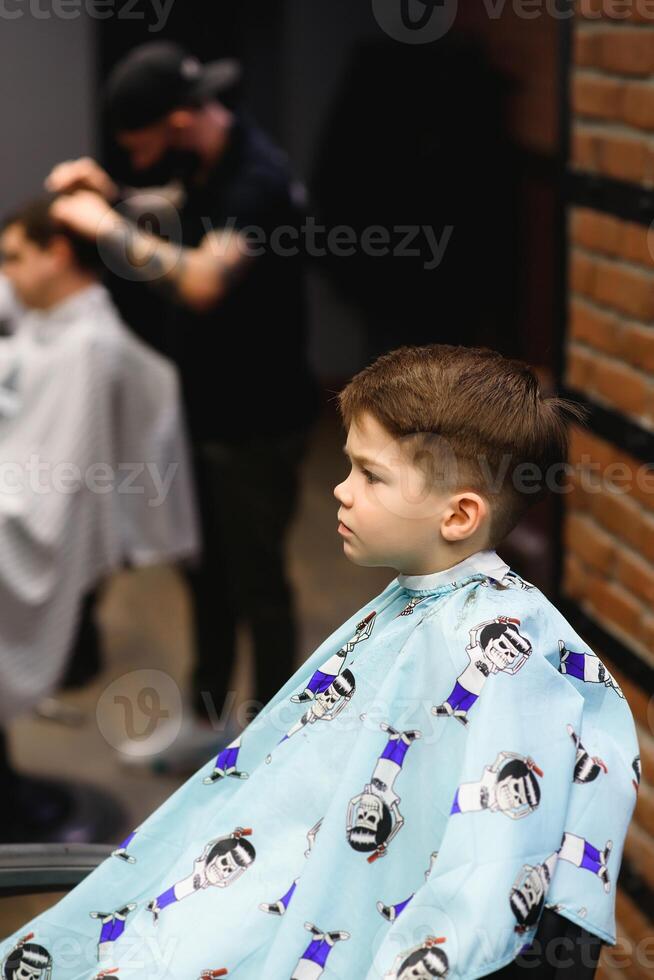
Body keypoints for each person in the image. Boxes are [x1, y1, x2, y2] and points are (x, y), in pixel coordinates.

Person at [0, 345, 638, 977]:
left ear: (459, 515)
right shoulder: (416, 601)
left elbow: (488, 869)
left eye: (370, 475)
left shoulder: (499, 649)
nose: (341, 489)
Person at [45, 42, 319, 769]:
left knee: (258, 583)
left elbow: (201, 280)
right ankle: (207, 728)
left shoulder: (256, 179)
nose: (131, 153)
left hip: (258, 421)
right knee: (207, 576)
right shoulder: (206, 165)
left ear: (174, 119)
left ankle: (272, 749)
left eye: (135, 140)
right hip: (209, 407)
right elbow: (177, 212)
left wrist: (105, 229)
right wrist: (111, 197)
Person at [0, 196, 197, 839]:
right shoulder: (49, 320)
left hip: (30, 518)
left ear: (57, 255)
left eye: (12, 258)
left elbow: (48, 486)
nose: (5, 276)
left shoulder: (84, 345)